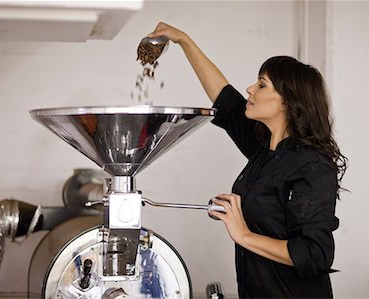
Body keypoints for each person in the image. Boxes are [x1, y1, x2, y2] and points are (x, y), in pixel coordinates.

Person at [148, 22, 348, 299]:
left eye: (262, 84)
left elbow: (315, 254)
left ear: (286, 102)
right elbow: (224, 97)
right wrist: (183, 40)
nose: (250, 89)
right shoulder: (263, 149)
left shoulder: (312, 165)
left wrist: (243, 234)